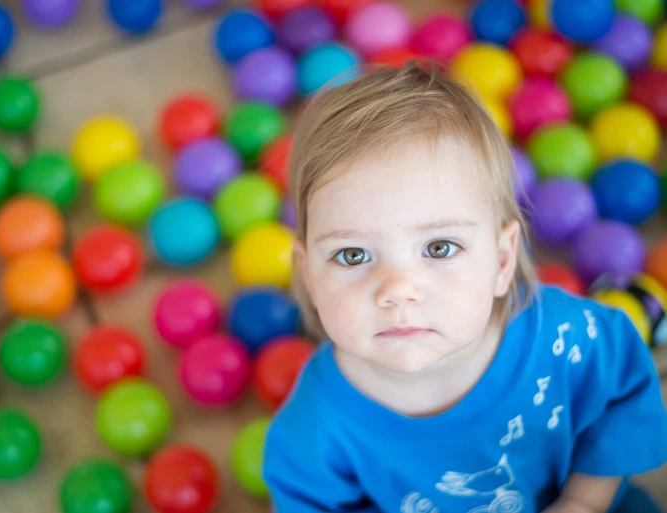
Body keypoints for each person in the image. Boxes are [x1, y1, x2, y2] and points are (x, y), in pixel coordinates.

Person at [263, 62, 667, 513]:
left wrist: (584, 501)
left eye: (438, 247)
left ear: (500, 259)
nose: (398, 290)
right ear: (308, 273)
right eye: (353, 255)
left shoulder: (564, 339)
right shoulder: (315, 426)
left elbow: (622, 388)